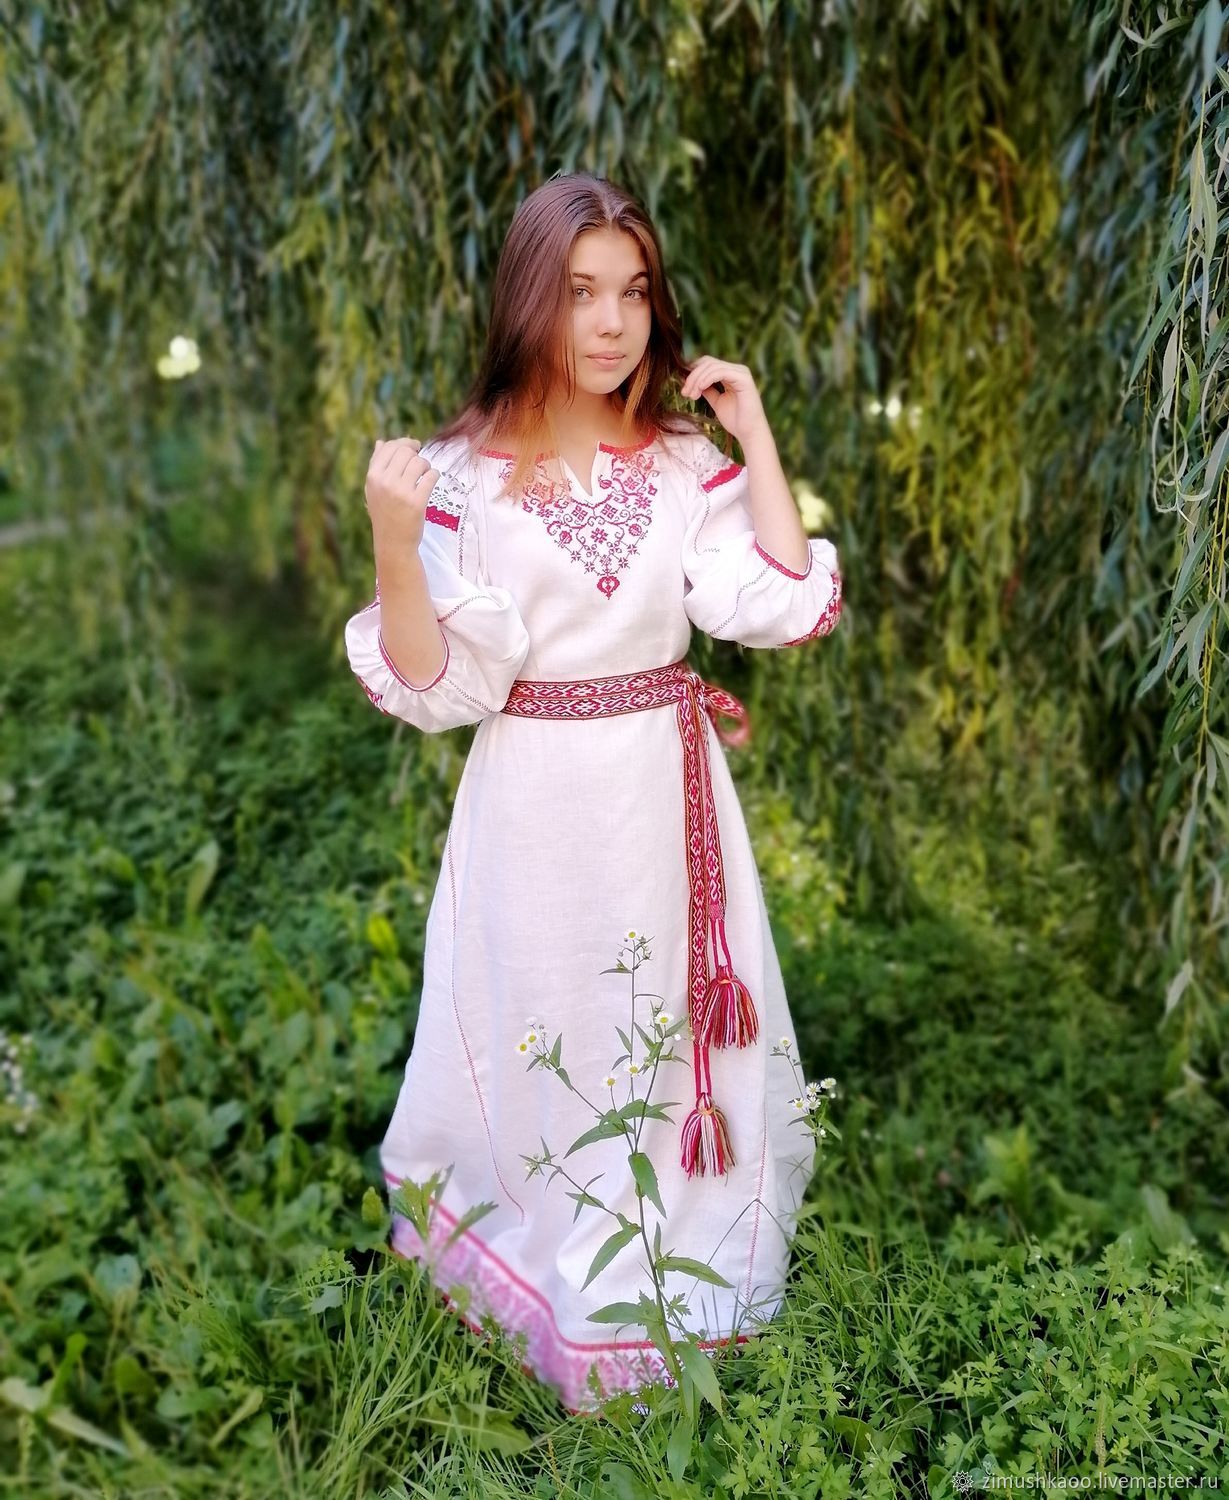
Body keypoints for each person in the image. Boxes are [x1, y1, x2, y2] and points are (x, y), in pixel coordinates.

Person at [344, 171, 843, 1416]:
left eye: (631, 292)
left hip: (662, 797)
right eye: (579, 294)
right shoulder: (458, 471)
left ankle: (690, 1268)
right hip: (533, 805)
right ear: (531, 299)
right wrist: (392, 545)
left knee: (672, 1036)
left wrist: (754, 431)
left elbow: (778, 603)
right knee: (552, 1031)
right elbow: (436, 681)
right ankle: (552, 1272)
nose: (612, 324)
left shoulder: (680, 460)